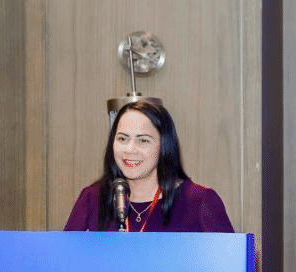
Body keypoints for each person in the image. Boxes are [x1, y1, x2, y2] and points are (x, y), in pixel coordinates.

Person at [64, 99, 233, 232]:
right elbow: (65, 261)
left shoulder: (199, 202)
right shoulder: (91, 199)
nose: (130, 149)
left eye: (143, 140)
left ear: (164, 145)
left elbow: (229, 264)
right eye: (122, 138)